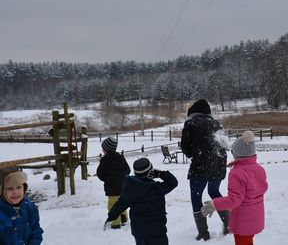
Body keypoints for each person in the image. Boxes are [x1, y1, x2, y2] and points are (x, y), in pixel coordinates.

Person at [201, 131, 268, 245]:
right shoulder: (259, 169)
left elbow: (234, 199)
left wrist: (214, 204)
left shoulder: (237, 172)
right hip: (256, 216)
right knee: (248, 241)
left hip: (243, 220)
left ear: (237, 154)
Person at [180, 99, 229, 241]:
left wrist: (193, 155)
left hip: (201, 165)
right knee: (214, 191)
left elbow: (185, 146)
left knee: (196, 196)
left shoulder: (191, 122)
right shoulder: (216, 123)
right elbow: (222, 143)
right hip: (219, 164)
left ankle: (203, 233)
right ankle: (228, 223)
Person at [105, 158, 178, 245]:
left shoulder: (130, 190)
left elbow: (120, 205)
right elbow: (173, 182)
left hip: (139, 233)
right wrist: (160, 174)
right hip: (157, 232)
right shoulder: (157, 189)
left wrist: (111, 217)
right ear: (151, 172)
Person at [0, 166, 43, 245]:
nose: (15, 192)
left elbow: (36, 232)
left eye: (19, 187)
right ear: (2, 191)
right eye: (10, 188)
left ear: (24, 188)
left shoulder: (30, 208)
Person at [96, 136, 131, 229]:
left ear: (106, 149)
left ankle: (115, 224)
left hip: (112, 189)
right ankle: (124, 220)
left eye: (103, 148)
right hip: (123, 188)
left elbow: (99, 173)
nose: (102, 150)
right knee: (122, 204)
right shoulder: (121, 158)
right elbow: (128, 170)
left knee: (113, 206)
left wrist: (107, 179)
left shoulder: (104, 160)